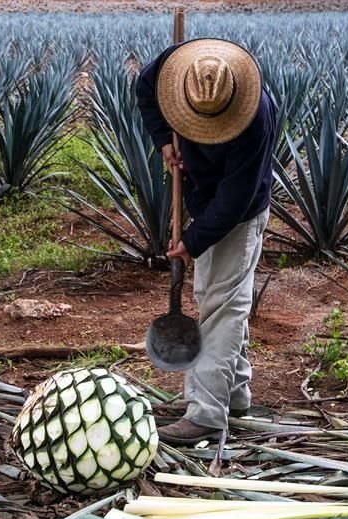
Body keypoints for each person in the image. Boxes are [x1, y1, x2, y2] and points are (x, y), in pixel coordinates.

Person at [136, 38, 277, 445]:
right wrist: (164, 137)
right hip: (205, 195)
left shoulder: (254, 117)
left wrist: (192, 242)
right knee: (220, 297)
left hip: (241, 211)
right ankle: (235, 395)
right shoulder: (176, 70)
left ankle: (207, 414)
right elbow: (144, 89)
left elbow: (235, 200)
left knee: (223, 307)